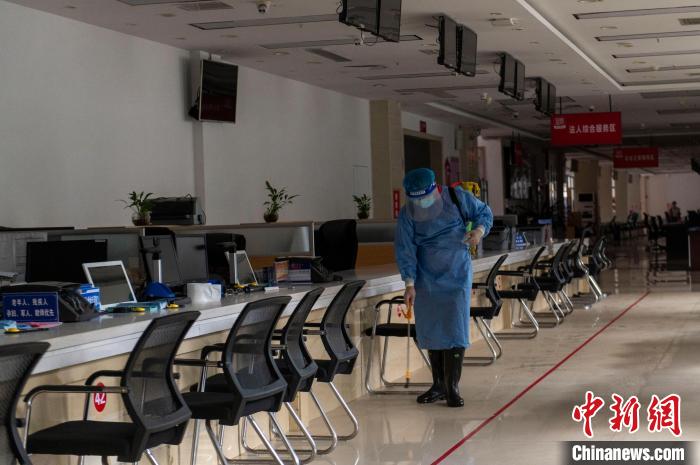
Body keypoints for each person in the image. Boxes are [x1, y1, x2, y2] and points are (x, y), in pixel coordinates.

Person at [395, 168, 493, 407]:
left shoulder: (458, 198)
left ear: (435, 189)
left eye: (425, 198)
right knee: (432, 329)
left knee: (455, 327)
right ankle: (438, 384)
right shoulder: (408, 213)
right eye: (417, 200)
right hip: (425, 277)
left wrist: (479, 231)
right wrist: (409, 283)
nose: (422, 204)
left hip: (456, 272)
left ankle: (452, 387)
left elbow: (484, 212)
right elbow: (405, 248)